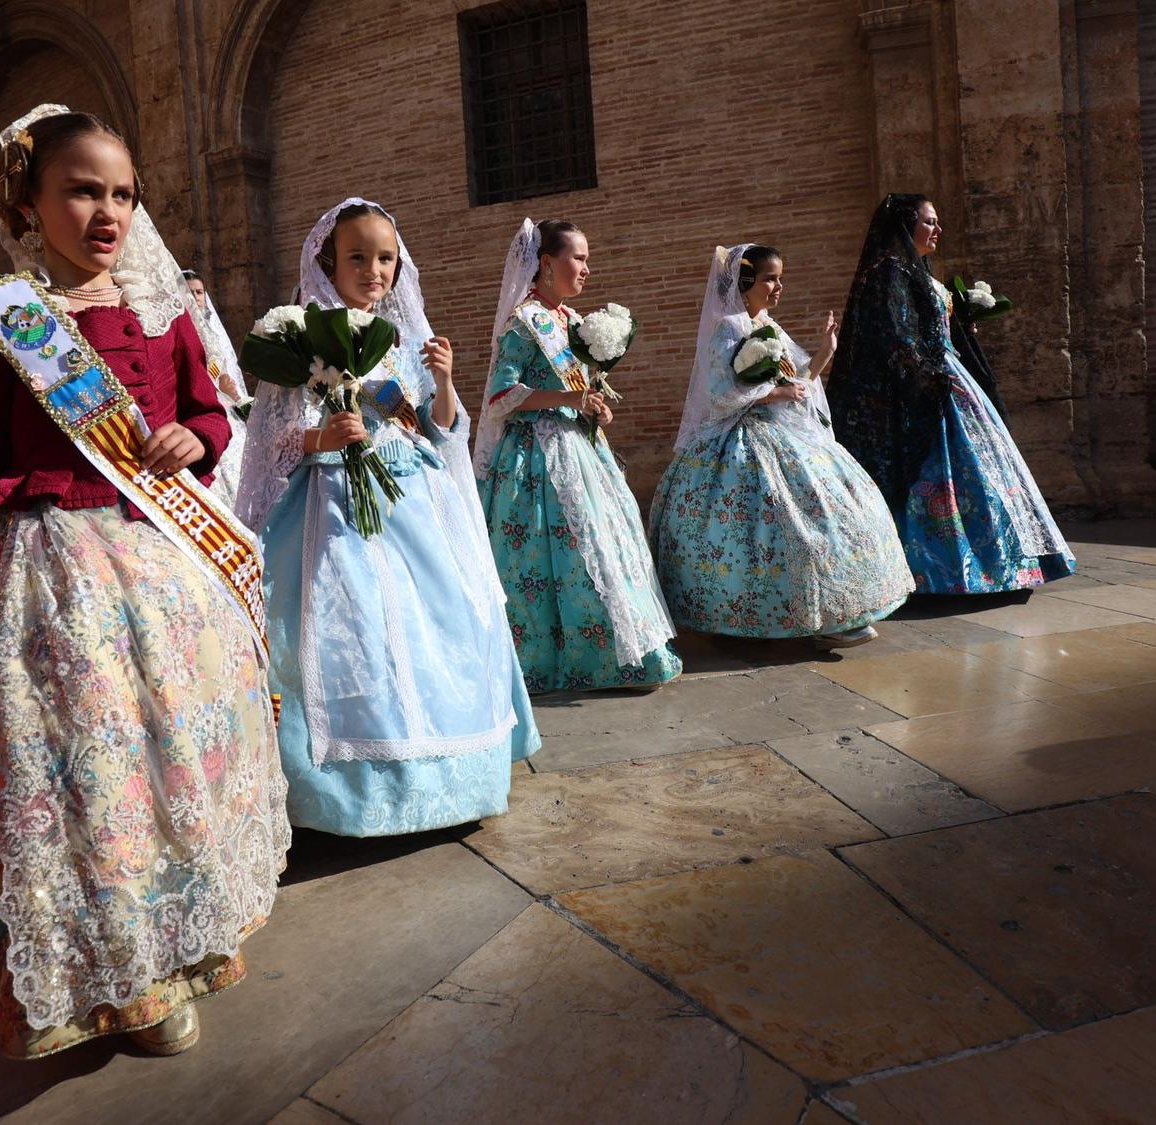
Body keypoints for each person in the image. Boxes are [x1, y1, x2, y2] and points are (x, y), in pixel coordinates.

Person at [0, 105, 287, 1061]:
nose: (108, 211)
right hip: (46, 577)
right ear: (28, 200)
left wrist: (190, 437)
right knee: (79, 781)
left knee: (169, 770)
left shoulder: (166, 314)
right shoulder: (5, 320)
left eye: (122, 192)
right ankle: (103, 972)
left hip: (160, 567)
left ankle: (173, 957)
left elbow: (211, 416)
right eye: (82, 189)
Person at [235, 198, 539, 837]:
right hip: (332, 507)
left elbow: (439, 427)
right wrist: (325, 436)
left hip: (415, 499)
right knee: (355, 633)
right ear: (327, 262)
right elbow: (272, 439)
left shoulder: (404, 337)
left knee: (453, 619)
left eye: (386, 258)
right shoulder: (300, 334)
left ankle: (452, 779)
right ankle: (354, 798)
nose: (374, 270)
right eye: (358, 257)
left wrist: (447, 380)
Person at [650, 244, 913, 646]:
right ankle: (780, 615)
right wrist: (772, 394)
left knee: (833, 513)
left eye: (779, 278)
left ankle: (838, 611)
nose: (778, 287)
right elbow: (720, 392)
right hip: (743, 440)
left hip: (787, 434)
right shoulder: (729, 328)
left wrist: (824, 354)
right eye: (770, 278)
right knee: (781, 527)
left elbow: (798, 381)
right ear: (746, 282)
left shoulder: (769, 327)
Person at [827, 194, 1074, 594]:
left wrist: (961, 329)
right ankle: (937, 574)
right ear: (904, 227)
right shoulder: (887, 272)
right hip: (928, 386)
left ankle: (998, 566)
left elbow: (928, 327)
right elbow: (894, 334)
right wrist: (927, 379)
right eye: (928, 222)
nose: (937, 230)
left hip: (948, 376)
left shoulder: (915, 271)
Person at [475, 219, 680, 692]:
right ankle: (579, 660)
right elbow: (499, 396)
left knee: (606, 544)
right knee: (558, 553)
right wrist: (568, 401)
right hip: (537, 458)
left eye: (587, 259)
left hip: (582, 450)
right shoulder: (525, 321)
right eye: (579, 258)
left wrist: (594, 406)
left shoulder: (571, 321)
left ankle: (625, 652)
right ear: (547, 263)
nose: (587, 269)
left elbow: (577, 388)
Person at [181, 268, 249, 505]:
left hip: (223, 405)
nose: (196, 297)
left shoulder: (212, 330)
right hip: (194, 407)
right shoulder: (178, 328)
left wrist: (231, 391)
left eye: (200, 292)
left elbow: (223, 367)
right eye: (190, 292)